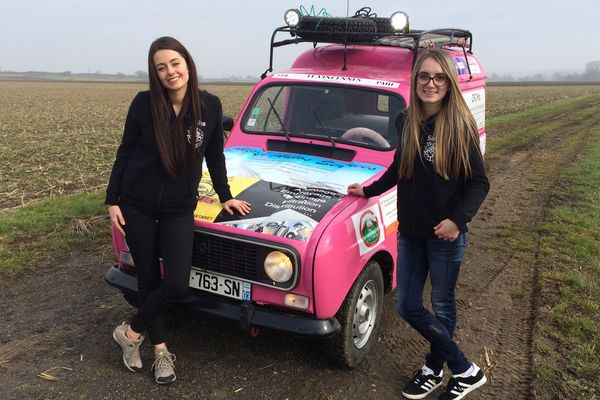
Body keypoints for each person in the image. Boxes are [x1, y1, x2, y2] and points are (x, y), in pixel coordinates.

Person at [105, 36, 251, 385]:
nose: (170, 72)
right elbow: (125, 152)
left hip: (178, 209)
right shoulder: (143, 104)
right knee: (148, 280)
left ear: (187, 64)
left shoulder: (209, 107)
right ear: (155, 74)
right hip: (136, 204)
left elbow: (215, 155)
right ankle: (160, 351)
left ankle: (129, 331)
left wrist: (225, 194)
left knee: (176, 283)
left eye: (174, 63)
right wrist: (112, 200)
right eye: (161, 67)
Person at [347, 48, 490, 400]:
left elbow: (479, 182)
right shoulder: (406, 120)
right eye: (424, 76)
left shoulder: (459, 125)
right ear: (415, 80)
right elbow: (401, 167)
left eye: (439, 77)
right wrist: (368, 188)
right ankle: (464, 369)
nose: (431, 83)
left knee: (442, 306)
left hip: (444, 236)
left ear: (449, 83)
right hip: (409, 230)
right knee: (407, 305)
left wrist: (457, 221)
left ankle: (433, 367)